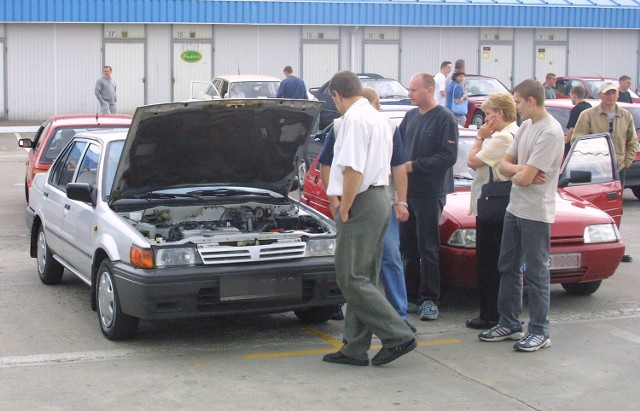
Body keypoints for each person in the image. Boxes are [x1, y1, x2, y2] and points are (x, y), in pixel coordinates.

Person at [322, 71, 416, 367]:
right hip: (380, 198)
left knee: (349, 276)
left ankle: (398, 334)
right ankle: (355, 346)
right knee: (366, 276)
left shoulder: (352, 119)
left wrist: (345, 206)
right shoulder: (380, 118)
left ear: (337, 94)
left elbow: (353, 170)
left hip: (361, 200)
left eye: (333, 99)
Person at [478, 79, 564, 352]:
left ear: (531, 101)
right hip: (514, 208)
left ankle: (540, 330)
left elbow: (525, 177)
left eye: (517, 101)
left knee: (537, 272)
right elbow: (505, 167)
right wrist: (520, 170)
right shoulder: (526, 126)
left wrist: (519, 171)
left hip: (536, 212)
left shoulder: (550, 132)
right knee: (508, 266)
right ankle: (510, 322)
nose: (514, 107)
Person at [399, 72, 458, 321]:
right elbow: (397, 150)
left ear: (430, 90)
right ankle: (410, 296)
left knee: (429, 248)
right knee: (408, 248)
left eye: (413, 90)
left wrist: (414, 166)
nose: (409, 94)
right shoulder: (410, 117)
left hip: (430, 194)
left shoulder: (444, 118)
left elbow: (448, 157)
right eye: (409, 90)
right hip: (407, 193)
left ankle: (430, 299)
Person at [465, 92, 519, 330]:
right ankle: (493, 312)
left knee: (487, 262)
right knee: (496, 260)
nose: (485, 118)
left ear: (500, 113)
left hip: (493, 204)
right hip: (502, 203)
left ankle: (490, 314)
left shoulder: (503, 138)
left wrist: (479, 137)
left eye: (488, 113)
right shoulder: (511, 133)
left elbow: (473, 161)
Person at [573, 79, 637, 263]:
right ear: (600, 95)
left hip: (618, 170)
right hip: (594, 171)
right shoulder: (588, 115)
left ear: (618, 94)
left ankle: (614, 245)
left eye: (614, 92)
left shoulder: (625, 115)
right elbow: (579, 139)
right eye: (607, 93)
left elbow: (632, 141)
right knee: (593, 207)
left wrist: (625, 161)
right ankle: (591, 246)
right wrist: (592, 161)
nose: (611, 96)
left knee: (615, 208)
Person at [564, 85, 591, 156]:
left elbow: (572, 129)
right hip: (588, 143)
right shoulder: (589, 107)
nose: (570, 98)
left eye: (570, 95)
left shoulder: (576, 110)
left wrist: (566, 143)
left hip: (576, 145)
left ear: (574, 96)